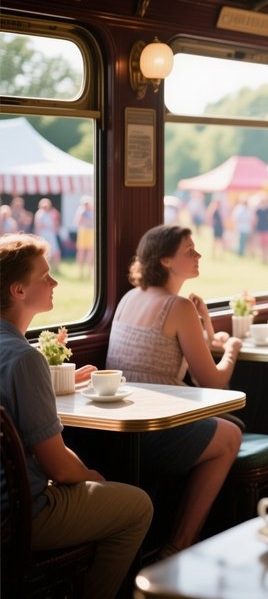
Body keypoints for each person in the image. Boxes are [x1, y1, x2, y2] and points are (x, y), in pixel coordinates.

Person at [0, 234, 153, 599]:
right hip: (17, 517)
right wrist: (91, 476)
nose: (55, 283)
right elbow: (60, 469)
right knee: (137, 506)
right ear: (19, 290)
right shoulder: (24, 360)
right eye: (46, 276)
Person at [106, 225, 243, 554]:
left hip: (119, 425)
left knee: (233, 425)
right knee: (232, 436)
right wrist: (234, 346)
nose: (198, 256)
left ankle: (184, 530)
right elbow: (213, 382)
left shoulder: (129, 298)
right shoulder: (177, 308)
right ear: (166, 260)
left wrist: (205, 325)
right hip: (155, 423)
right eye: (189, 251)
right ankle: (180, 543)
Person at [34, 197, 61, 271]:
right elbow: (38, 226)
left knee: (55, 252)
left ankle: (56, 267)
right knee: (44, 252)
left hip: (51, 235)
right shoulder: (39, 214)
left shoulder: (51, 213)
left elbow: (56, 223)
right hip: (43, 235)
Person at [72, 195, 95, 279]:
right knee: (81, 251)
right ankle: (80, 271)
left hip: (90, 232)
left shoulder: (92, 211)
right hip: (84, 231)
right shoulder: (81, 211)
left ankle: (89, 272)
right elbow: (77, 222)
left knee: (90, 251)